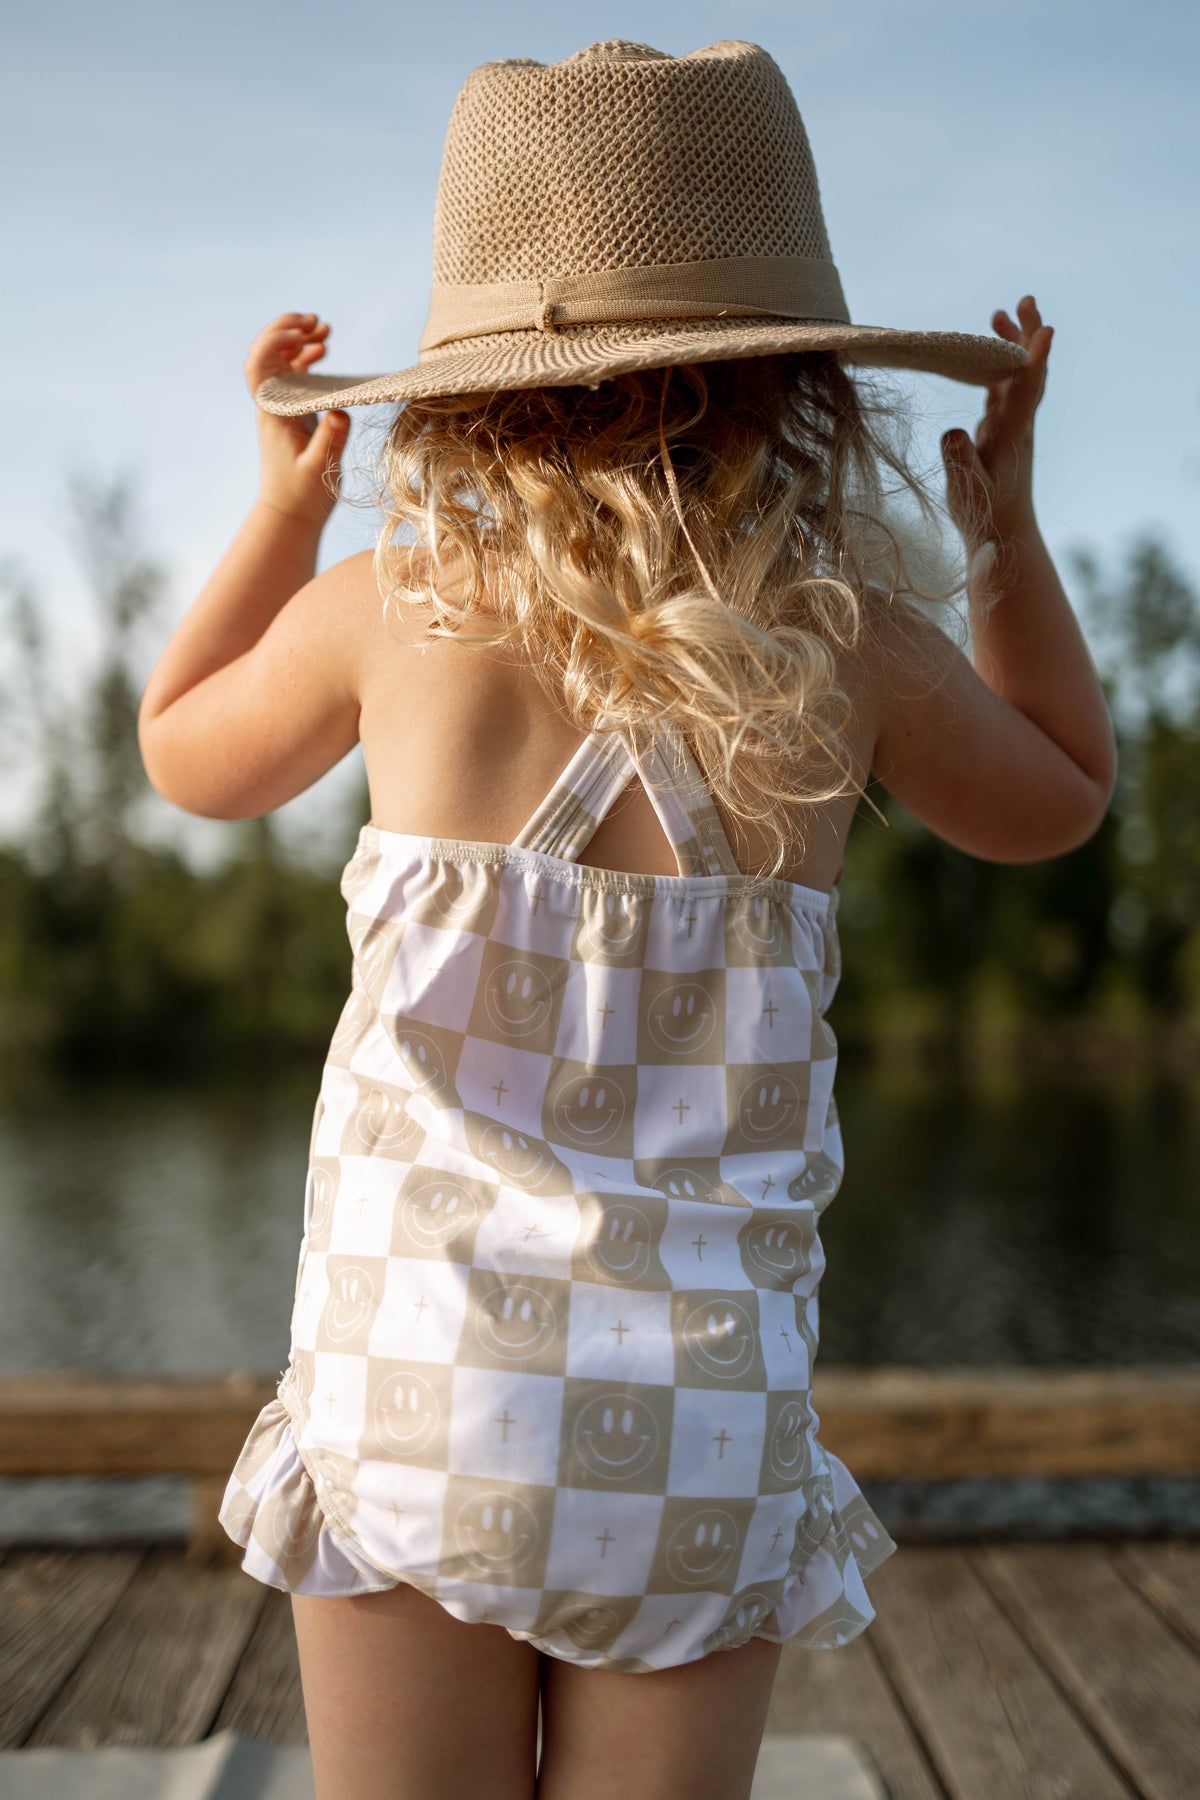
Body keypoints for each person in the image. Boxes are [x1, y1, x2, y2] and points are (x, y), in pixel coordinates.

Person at [137, 39, 1116, 1800]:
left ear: (462, 394)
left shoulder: (391, 607)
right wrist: (1005, 544)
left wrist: (287, 512)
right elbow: (1059, 795)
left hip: (418, 1385)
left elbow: (182, 753)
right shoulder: (845, 645)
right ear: (803, 384)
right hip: (697, 1424)